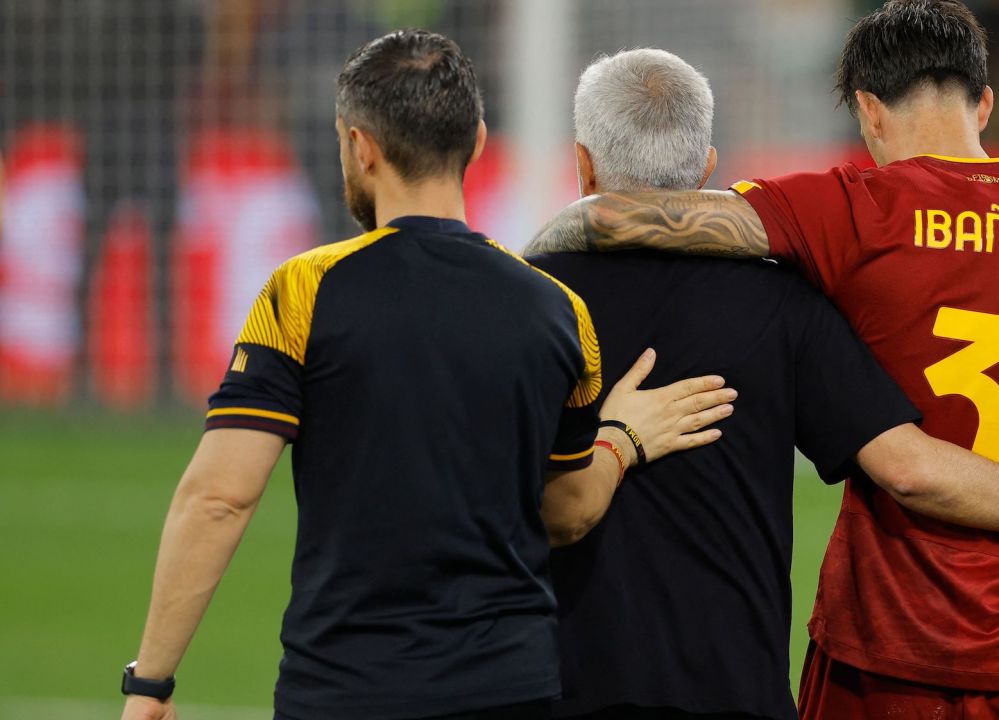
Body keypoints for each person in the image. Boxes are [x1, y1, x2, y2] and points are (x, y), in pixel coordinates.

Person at [526, 2, 999, 718]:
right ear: (985, 102)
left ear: (868, 111)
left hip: (892, 636)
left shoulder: (850, 211)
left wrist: (550, 238)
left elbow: (642, 211)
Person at [118, 30, 737, 720]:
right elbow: (567, 515)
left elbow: (219, 499)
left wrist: (152, 682)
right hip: (509, 689)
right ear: (475, 142)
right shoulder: (557, 311)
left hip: (343, 690)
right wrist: (623, 436)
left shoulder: (303, 291)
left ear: (361, 146)